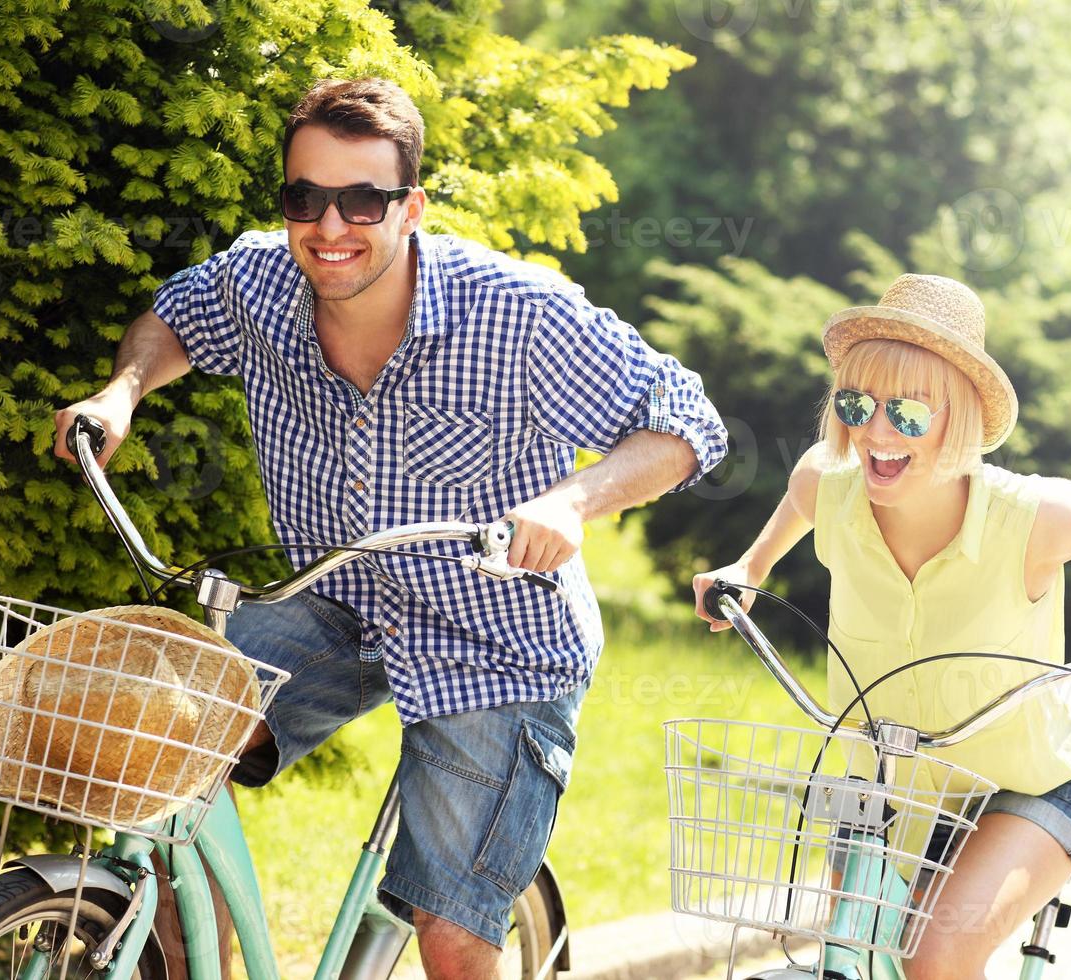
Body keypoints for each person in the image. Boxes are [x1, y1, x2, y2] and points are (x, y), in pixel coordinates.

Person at [54, 77, 727, 979]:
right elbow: (175, 316)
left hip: (497, 639)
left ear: (410, 207)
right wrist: (122, 391)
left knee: (449, 934)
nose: (329, 227)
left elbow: (687, 423)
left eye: (361, 200)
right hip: (329, 599)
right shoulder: (260, 280)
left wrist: (575, 500)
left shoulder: (517, 315)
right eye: (305, 198)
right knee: (160, 753)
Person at [691, 273, 1071, 980]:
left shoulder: (1029, 518)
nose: (875, 432)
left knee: (935, 957)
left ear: (959, 420)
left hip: (1033, 781)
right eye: (856, 403)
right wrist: (750, 569)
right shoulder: (830, 484)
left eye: (907, 414)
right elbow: (802, 491)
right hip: (895, 782)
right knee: (850, 949)